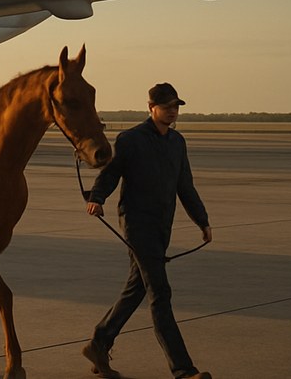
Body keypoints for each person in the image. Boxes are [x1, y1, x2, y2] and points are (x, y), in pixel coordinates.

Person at [82, 83, 214, 379]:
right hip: (136, 224)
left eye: (176, 107)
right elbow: (111, 173)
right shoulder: (131, 139)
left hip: (161, 225)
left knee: (136, 288)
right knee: (160, 293)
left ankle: (99, 343)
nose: (172, 112)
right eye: (167, 107)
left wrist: (202, 221)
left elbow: (185, 186)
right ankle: (183, 370)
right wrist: (97, 198)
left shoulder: (178, 143)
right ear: (151, 107)